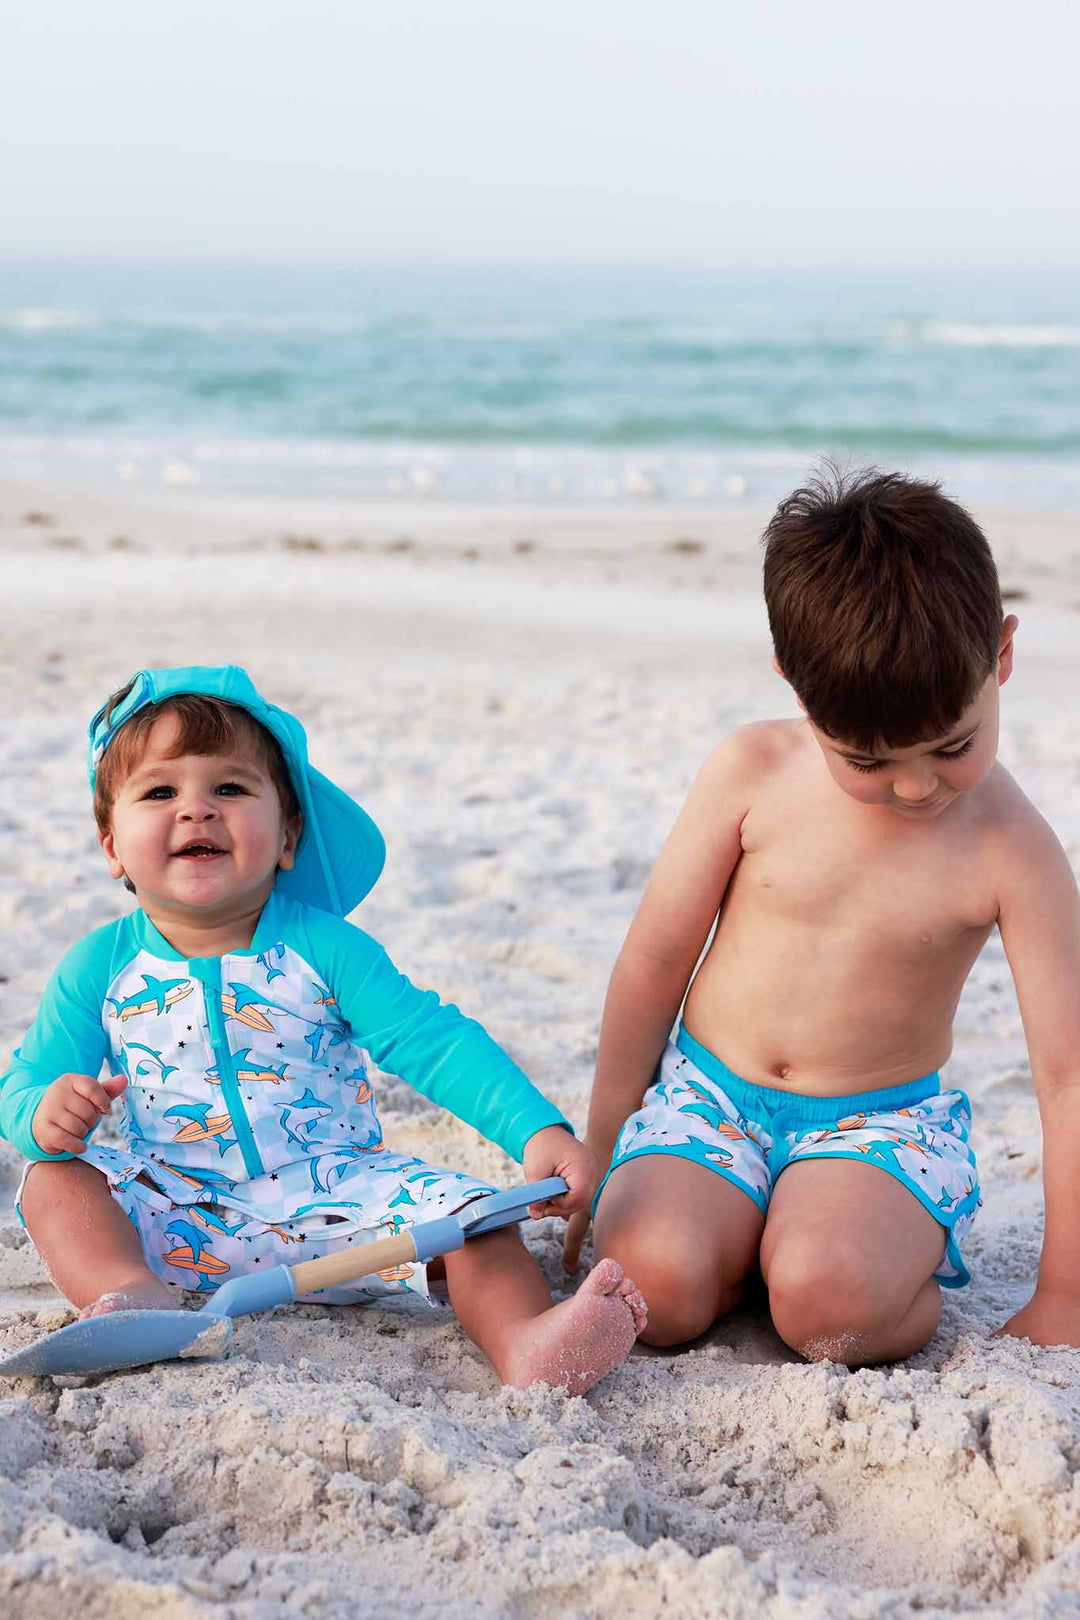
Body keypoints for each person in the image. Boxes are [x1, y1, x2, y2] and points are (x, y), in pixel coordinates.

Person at [0, 665, 646, 1393]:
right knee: (55, 1179)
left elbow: (430, 1040)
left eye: (231, 789)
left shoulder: (324, 948)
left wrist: (537, 1132)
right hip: (174, 1205)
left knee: (477, 1219)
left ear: (287, 836)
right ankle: (127, 1296)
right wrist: (43, 1112)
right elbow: (22, 1079)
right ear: (112, 844)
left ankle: (526, 1342)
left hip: (343, 1196)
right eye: (160, 792)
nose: (196, 811)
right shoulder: (98, 965)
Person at [563, 464, 1080, 1365]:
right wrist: (605, 1147)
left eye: (953, 745)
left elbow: (1068, 1076)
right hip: (708, 1100)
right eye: (869, 761)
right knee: (655, 1288)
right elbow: (653, 964)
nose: (917, 787)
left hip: (878, 1129)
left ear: (1000, 655)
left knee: (826, 1309)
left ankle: (813, 1250)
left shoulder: (1012, 848)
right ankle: (733, 1245)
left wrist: (1067, 1291)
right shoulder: (752, 773)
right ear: (798, 690)